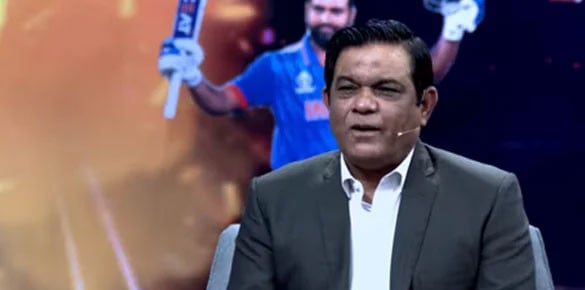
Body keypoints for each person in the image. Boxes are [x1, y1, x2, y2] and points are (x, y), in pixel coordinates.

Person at [215, 19, 535, 290]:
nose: (363, 105)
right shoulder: (275, 198)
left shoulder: (486, 197)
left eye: (386, 90)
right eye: (347, 89)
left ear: (425, 106)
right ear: (327, 101)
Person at [158, 0, 485, 170]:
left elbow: (427, 74)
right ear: (307, 11)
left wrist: (453, 30)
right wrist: (191, 75)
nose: (326, 17)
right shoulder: (276, 66)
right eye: (319, 9)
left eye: (335, 10)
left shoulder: (372, 61)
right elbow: (220, 102)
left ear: (350, 14)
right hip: (293, 199)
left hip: (359, 198)